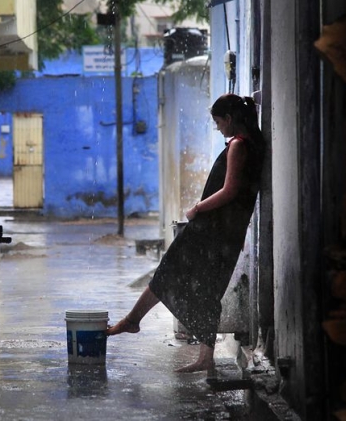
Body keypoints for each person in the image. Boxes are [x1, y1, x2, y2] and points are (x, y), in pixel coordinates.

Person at [106, 94, 265, 374]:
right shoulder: (252, 144)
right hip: (226, 232)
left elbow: (230, 191)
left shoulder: (239, 145)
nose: (218, 128)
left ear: (229, 119)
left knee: (170, 271)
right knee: (206, 287)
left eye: (218, 122)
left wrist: (196, 208)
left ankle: (133, 321)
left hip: (211, 230)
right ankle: (202, 355)